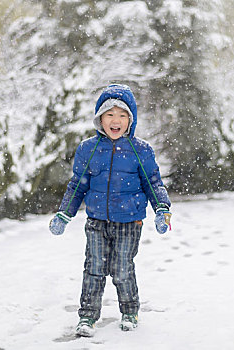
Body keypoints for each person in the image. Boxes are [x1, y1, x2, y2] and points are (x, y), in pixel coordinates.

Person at [49, 84, 172, 337]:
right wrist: (64, 213)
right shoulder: (88, 149)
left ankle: (129, 310)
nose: (115, 120)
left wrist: (162, 209)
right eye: (110, 115)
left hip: (130, 221)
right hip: (96, 221)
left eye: (122, 115)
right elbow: (77, 185)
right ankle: (87, 316)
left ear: (131, 120)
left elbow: (153, 182)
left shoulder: (141, 150)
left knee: (122, 268)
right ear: (100, 119)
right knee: (93, 268)